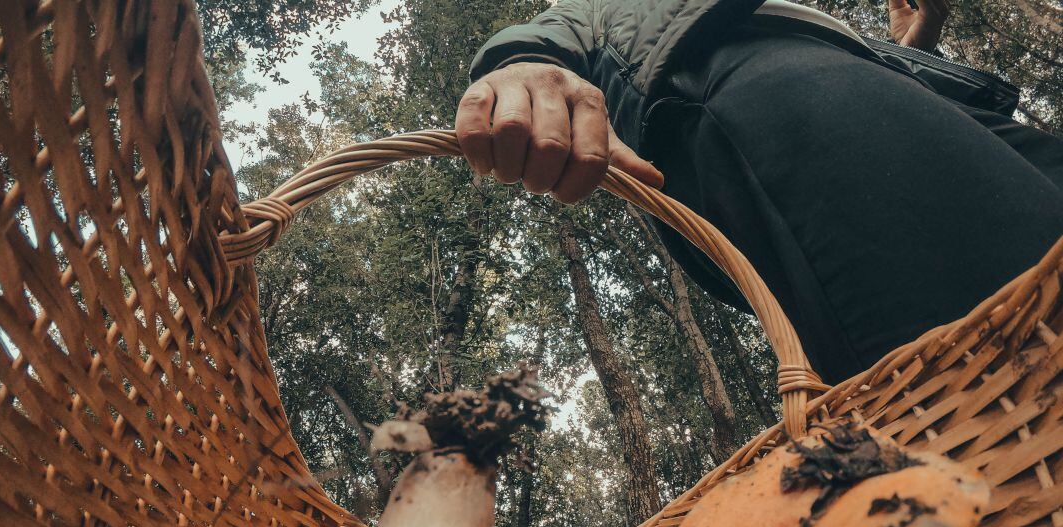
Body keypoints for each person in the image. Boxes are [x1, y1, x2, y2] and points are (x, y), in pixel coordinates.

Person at [454, 0, 1063, 383]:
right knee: (1004, 362)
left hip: (888, 82)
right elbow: (553, 30)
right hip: (731, 72)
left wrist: (907, 53)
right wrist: (519, 65)